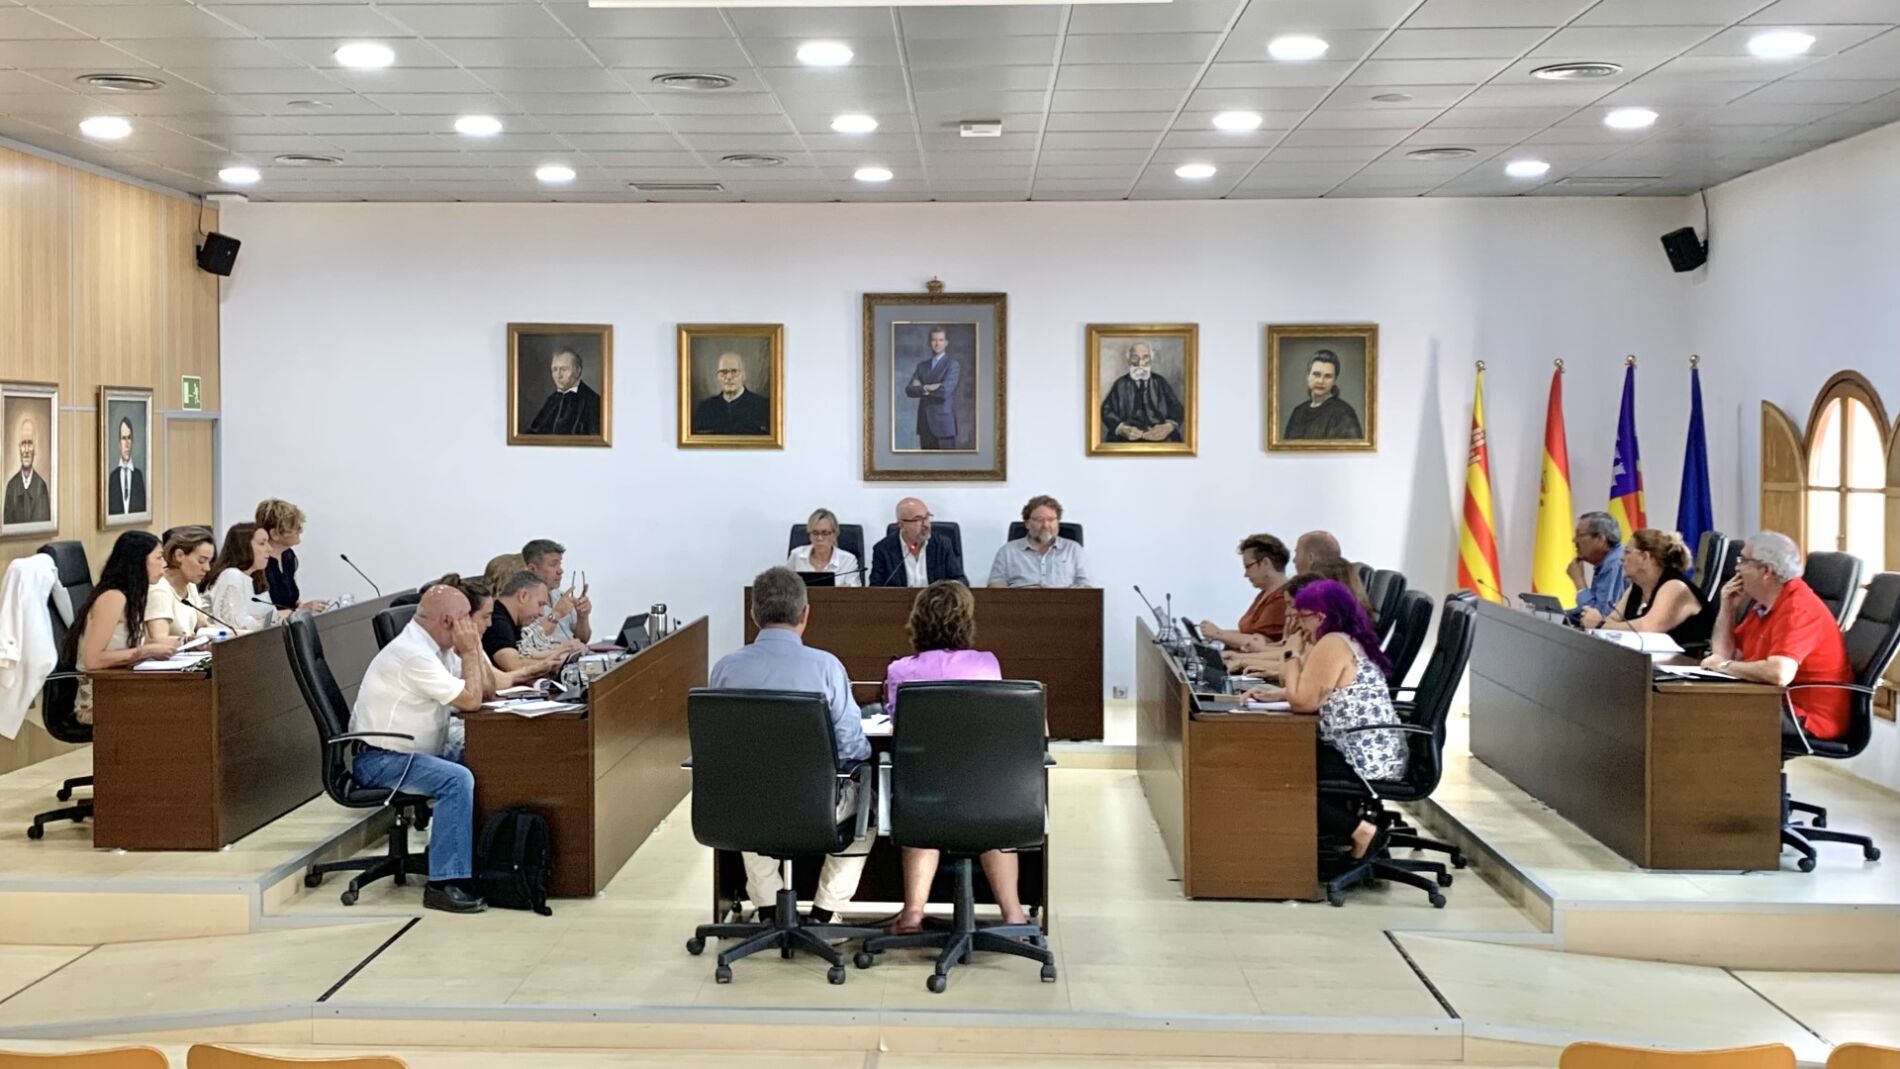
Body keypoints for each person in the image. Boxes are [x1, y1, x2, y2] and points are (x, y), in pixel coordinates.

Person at [710, 566, 872, 924]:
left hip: (745, 805)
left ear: (754, 615)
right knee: (868, 806)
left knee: (749, 792)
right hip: (815, 806)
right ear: (805, 614)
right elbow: (852, 749)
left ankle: (768, 908)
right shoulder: (827, 668)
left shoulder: (725, 669)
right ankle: (826, 912)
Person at [880, 581, 1028, 934]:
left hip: (925, 796)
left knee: (920, 805)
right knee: (994, 811)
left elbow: (899, 725)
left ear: (917, 622)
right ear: (966, 622)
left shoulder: (900, 671)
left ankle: (912, 914)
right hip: (985, 794)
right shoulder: (987, 664)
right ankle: (1014, 915)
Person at [349, 584, 490, 913]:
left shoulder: (439, 648)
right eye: (466, 618)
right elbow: (472, 701)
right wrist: (471, 653)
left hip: (415, 753)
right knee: (456, 779)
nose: (472, 625)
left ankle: (472, 858)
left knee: (486, 757)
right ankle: (443, 884)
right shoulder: (414, 655)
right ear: (447, 621)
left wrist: (474, 651)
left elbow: (485, 691)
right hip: (383, 761)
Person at [1244, 580, 1405, 859]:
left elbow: (1303, 703)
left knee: (1276, 766)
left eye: (1301, 617)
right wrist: (1277, 695)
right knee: (1278, 757)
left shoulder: (1332, 643)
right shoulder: (1345, 639)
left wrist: (1291, 654)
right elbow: (1321, 690)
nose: (1297, 624)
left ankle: (1361, 831)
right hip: (1369, 748)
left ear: (1320, 617)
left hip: (1361, 756)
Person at [1702, 532, 1855, 742]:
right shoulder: (1764, 605)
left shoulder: (1798, 609)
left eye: (1743, 561)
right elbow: (1724, 655)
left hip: (1805, 717)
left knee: (1704, 714)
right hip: (1772, 700)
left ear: (1766, 571)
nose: (1737, 568)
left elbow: (1778, 673)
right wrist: (1727, 608)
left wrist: (1723, 666)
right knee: (1696, 707)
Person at [66, 531, 180, 723]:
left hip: (122, 686)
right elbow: (92, 661)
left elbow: (128, 644)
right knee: (177, 712)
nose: (164, 564)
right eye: (159, 557)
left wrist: (184, 642)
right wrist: (145, 651)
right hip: (99, 699)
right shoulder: (113, 598)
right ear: (139, 561)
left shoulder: (132, 596)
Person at [1582, 528, 1713, 648]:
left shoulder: (1675, 586)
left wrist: (1600, 625)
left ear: (1645, 557)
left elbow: (1648, 629)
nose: (1622, 558)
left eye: (1627, 552)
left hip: (1685, 662)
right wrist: (1603, 625)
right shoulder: (1637, 587)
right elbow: (1612, 620)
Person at [1199, 533, 1290, 649]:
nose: (1246, 574)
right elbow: (1247, 633)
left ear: (1265, 563)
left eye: (1248, 567)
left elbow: (1261, 642)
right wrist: (1217, 633)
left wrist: (1218, 634)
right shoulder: (1264, 594)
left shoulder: (1282, 598)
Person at [483, 571, 582, 676]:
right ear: (523, 596)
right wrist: (558, 662)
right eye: (540, 604)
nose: (541, 613)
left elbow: (525, 654)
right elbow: (513, 665)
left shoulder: (513, 621)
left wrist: (562, 651)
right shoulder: (497, 622)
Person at [988, 495, 1091, 588]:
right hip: (1020, 602)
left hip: (1064, 602)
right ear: (1027, 523)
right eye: (1039, 520)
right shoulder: (1008, 551)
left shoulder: (1073, 550)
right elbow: (995, 585)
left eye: (1051, 520)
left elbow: (1086, 587)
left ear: (1058, 522)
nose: (1045, 525)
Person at [869, 497, 967, 587]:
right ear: (901, 525)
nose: (926, 525)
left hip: (936, 600)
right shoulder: (883, 550)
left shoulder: (942, 545)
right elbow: (876, 589)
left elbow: (960, 581)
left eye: (927, 517)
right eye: (918, 519)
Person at [1099, 341, 1185, 444]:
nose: (1140, 363)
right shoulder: (1120, 384)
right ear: (1129, 360)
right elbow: (1106, 410)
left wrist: (1168, 426)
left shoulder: (1160, 381)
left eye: (1145, 357)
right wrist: (1121, 428)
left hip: (1161, 438)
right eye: (1135, 357)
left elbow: (1177, 407)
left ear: (1151, 359)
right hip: (1127, 439)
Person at [204, 523, 278, 633]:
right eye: (262, 543)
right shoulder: (231, 575)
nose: (270, 549)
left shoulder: (256, 578)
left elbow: (273, 617)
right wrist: (259, 621)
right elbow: (236, 624)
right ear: (243, 547)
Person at [257, 498, 327, 613]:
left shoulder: (288, 556)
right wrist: (300, 610)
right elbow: (261, 615)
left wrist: (309, 607)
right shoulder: (258, 564)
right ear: (275, 534)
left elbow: (293, 602)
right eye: (296, 528)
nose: (300, 531)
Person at [145, 526, 214, 640]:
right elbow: (159, 640)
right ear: (179, 555)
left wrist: (235, 633)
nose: (207, 568)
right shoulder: (159, 590)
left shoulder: (190, 585)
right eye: (201, 561)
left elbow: (202, 626)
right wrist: (190, 641)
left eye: (209, 561)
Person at [522, 538, 592, 643]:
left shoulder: (561, 596)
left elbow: (583, 639)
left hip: (576, 652)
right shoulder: (524, 602)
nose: (560, 571)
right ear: (532, 569)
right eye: (553, 565)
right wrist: (557, 613)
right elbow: (529, 642)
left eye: (560, 564)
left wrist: (583, 617)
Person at [1283, 350, 1363, 441]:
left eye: (1328, 376)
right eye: (1316, 374)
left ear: (1334, 381)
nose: (1321, 381)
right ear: (1308, 376)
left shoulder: (1344, 413)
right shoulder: (1298, 412)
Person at [1566, 511, 1628, 625]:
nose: (1574, 540)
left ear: (1600, 539)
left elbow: (1600, 618)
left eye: (1580, 535)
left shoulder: (1616, 564)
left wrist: (1580, 582)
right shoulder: (1606, 562)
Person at [904, 326, 961, 450]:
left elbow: (944, 392)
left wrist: (921, 388)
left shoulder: (952, 365)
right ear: (929, 343)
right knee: (926, 461)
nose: (937, 343)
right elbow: (909, 390)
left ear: (946, 343)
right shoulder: (922, 366)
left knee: (947, 462)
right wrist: (928, 387)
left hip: (944, 425)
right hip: (924, 424)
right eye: (934, 340)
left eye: (941, 340)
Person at [526, 347, 601, 436]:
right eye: (555, 369)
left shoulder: (593, 401)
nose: (558, 375)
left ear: (578, 370)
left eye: (564, 369)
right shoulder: (551, 400)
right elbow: (534, 432)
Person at [692, 352, 771, 436]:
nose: (729, 377)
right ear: (717, 377)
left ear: (743, 375)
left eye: (734, 371)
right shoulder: (704, 409)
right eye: (723, 372)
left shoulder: (763, 406)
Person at [788, 507, 860, 586]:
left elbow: (855, 591)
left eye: (825, 533)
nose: (819, 538)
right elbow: (785, 586)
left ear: (835, 535)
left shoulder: (848, 560)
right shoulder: (797, 555)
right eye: (815, 533)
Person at [4, 416, 50, 525]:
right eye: (23, 444)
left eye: (30, 443)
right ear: (19, 448)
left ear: (34, 448)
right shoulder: (11, 487)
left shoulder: (41, 487)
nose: (26, 451)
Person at [106, 416, 146, 516]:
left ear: (132, 442)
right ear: (119, 443)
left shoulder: (138, 476)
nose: (127, 444)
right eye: (124, 438)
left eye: (129, 438)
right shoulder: (113, 477)